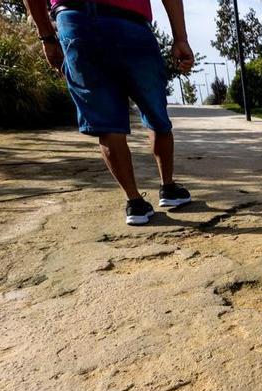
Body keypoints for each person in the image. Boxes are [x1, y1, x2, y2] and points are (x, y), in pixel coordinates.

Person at [23, 0, 195, 225]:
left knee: (107, 122)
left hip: (76, 21)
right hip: (130, 21)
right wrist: (180, 38)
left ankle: (135, 202)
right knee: (156, 113)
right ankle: (168, 188)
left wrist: (47, 35)